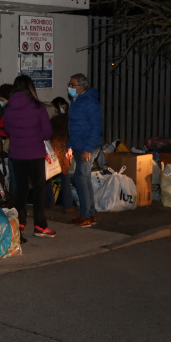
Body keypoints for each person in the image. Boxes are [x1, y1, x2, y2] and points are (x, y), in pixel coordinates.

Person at [2, 75, 56, 238]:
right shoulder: (38, 107)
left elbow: (8, 129)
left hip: (17, 153)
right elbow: (48, 132)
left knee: (21, 188)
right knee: (39, 189)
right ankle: (40, 225)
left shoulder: (9, 107)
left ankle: (21, 222)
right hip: (35, 153)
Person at [65, 73, 103, 227]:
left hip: (88, 145)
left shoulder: (89, 102)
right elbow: (74, 127)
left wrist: (87, 148)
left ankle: (86, 215)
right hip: (79, 144)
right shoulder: (77, 100)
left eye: (73, 85)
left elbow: (96, 127)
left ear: (81, 87)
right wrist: (70, 145)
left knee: (81, 179)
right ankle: (89, 214)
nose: (70, 87)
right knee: (83, 179)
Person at [47, 97, 74, 213]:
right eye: (61, 106)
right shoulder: (69, 119)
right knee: (65, 176)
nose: (63, 109)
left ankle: (49, 202)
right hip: (64, 151)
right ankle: (68, 206)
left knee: (48, 175)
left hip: (53, 150)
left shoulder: (52, 119)